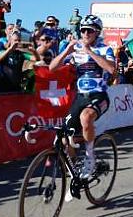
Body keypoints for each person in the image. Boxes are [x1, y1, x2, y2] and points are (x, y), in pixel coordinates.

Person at [49, 14, 115, 180]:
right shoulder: (75, 50)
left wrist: (89, 51)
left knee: (86, 118)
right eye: (82, 30)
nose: (85, 33)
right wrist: (66, 51)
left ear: (97, 32)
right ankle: (74, 171)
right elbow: (52, 68)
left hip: (99, 95)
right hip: (80, 97)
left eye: (89, 30)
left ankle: (90, 158)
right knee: (63, 137)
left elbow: (111, 69)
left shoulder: (104, 49)